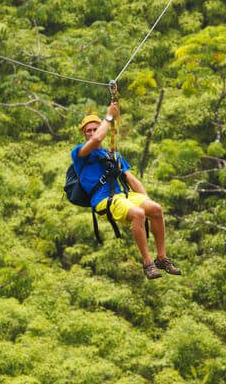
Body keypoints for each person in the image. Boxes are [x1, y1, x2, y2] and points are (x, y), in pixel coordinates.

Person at [71, 102, 181, 280]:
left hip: (122, 196)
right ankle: (147, 263)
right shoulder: (79, 153)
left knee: (156, 209)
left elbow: (131, 179)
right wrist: (108, 117)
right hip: (103, 200)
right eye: (88, 131)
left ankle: (161, 258)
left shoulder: (113, 155)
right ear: (84, 134)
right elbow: (96, 140)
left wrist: (147, 202)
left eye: (94, 129)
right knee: (138, 213)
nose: (91, 133)